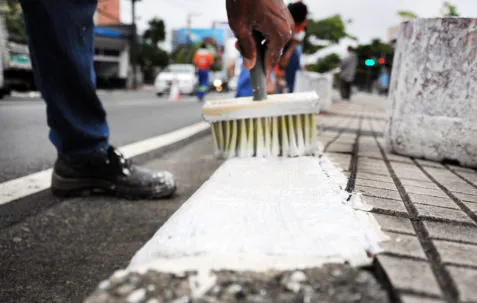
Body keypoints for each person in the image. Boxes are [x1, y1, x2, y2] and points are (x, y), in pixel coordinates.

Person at [18, 0, 292, 199]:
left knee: (61, 11)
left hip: (209, 74)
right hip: (202, 75)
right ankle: (83, 152)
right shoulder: (201, 55)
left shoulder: (205, 54)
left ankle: (81, 154)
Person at [235, 1, 307, 97]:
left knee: (295, 53)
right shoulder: (271, 19)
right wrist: (269, 77)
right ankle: (245, 97)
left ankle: (292, 93)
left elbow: (296, 38)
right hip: (258, 43)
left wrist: (287, 55)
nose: (294, 28)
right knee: (252, 66)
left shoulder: (300, 21)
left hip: (282, 43)